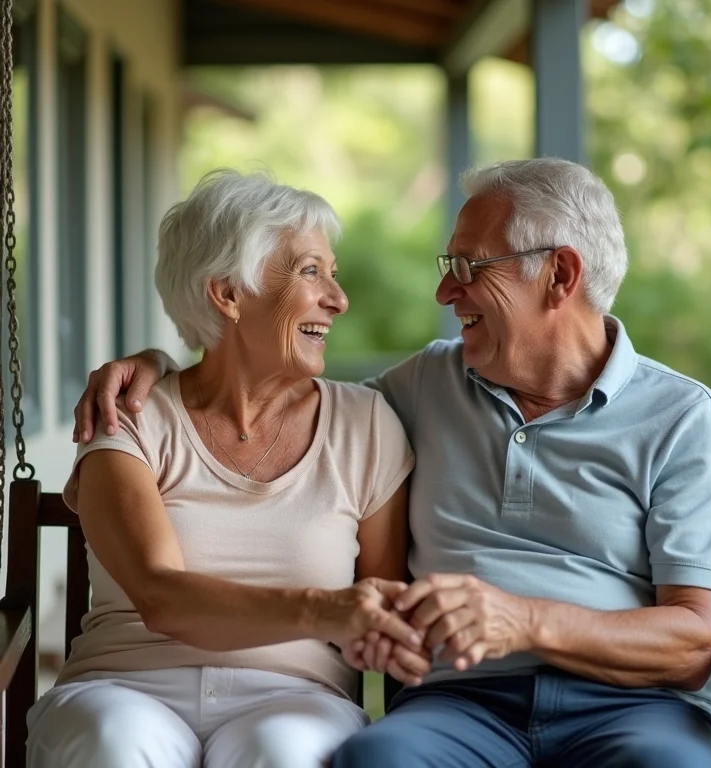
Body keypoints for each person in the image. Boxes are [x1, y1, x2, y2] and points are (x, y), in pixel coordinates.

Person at [76, 158, 711, 768]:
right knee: (380, 761)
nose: (444, 294)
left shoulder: (684, 419)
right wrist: (157, 368)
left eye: (468, 268)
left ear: (559, 275)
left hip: (636, 709)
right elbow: (269, 398)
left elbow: (693, 641)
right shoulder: (424, 387)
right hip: (463, 706)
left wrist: (526, 620)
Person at [27, 170, 425, 768]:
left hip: (297, 696)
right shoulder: (130, 415)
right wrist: (326, 610)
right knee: (113, 742)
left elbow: (382, 617)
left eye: (332, 274)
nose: (338, 299)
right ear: (228, 294)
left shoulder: (365, 424)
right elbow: (161, 597)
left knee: (286, 752)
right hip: (126, 686)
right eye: (310, 271)